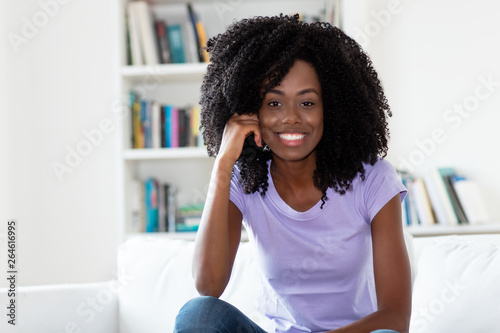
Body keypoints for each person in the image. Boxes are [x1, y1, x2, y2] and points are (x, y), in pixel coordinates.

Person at [174, 14, 412, 333]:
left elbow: (395, 318)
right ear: (251, 111)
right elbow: (208, 285)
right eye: (273, 103)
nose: (290, 118)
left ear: (333, 108)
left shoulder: (373, 179)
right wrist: (222, 163)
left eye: (307, 102)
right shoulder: (244, 180)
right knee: (199, 314)